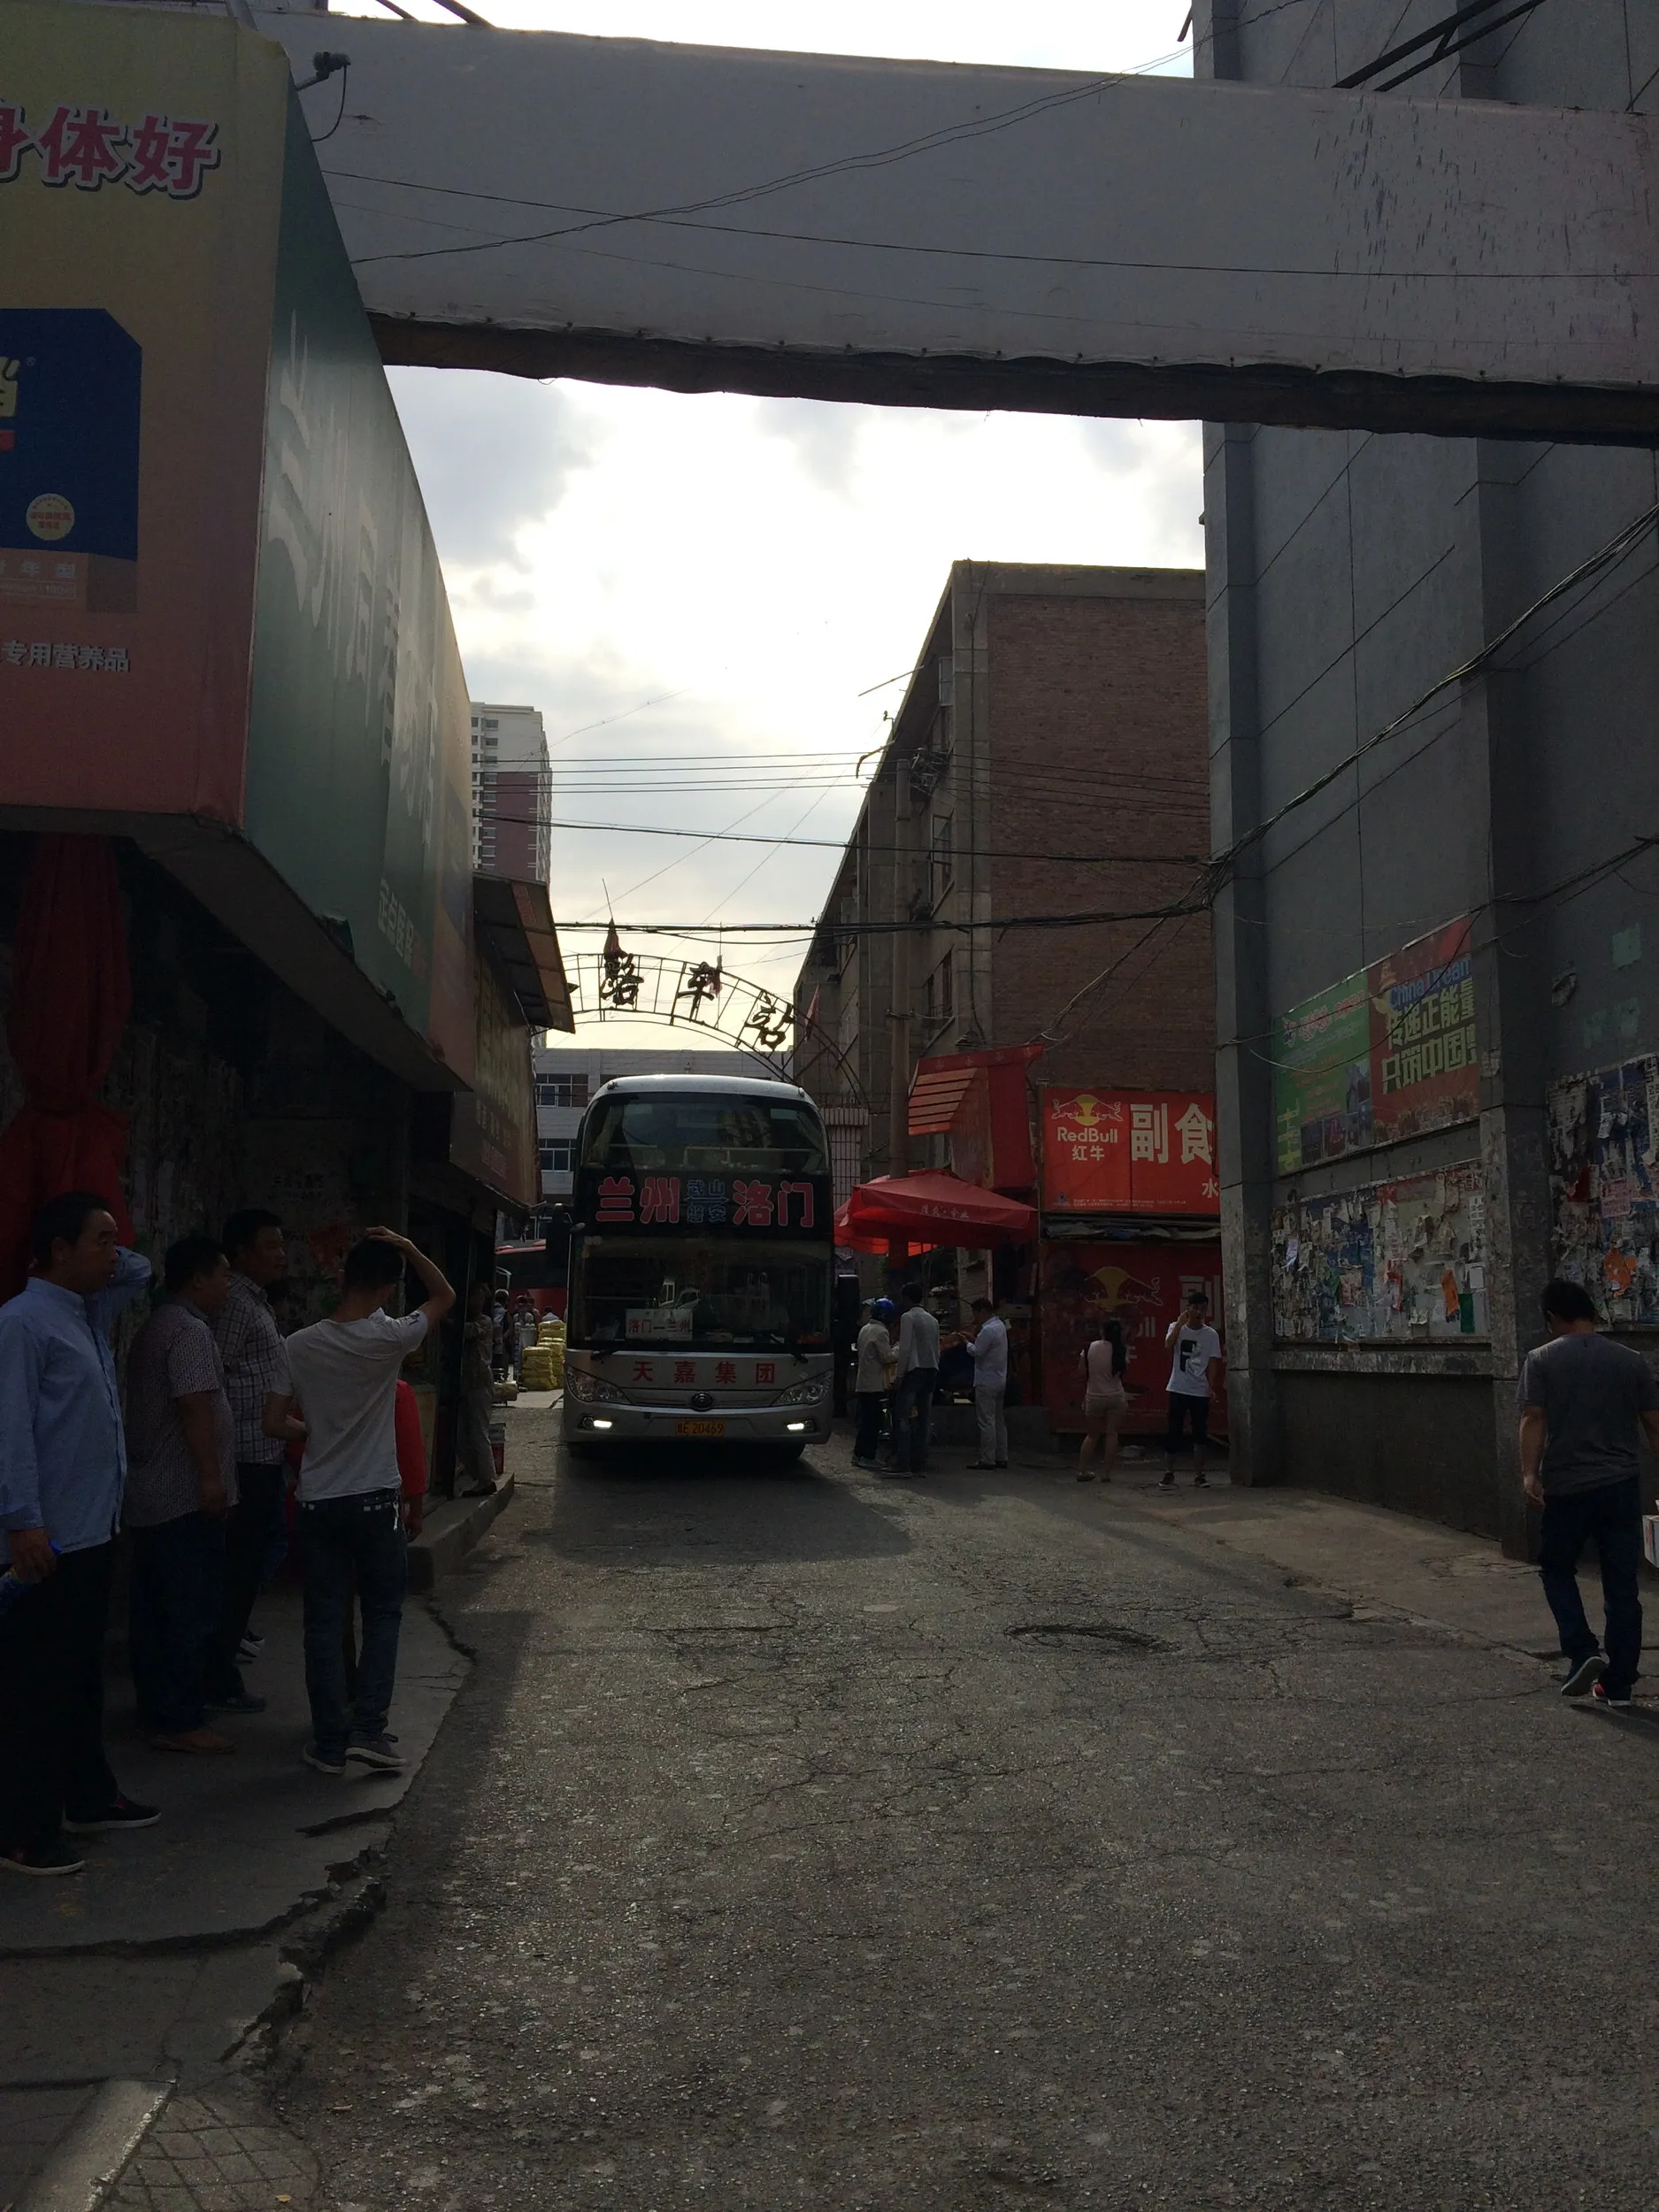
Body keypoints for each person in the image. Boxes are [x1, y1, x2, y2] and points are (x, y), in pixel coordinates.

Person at [0, 1192, 156, 1877]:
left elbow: (141, 1270)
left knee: (79, 1677)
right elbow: (10, 1435)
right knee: (37, 1688)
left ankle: (88, 1796)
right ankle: (24, 1831)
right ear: (58, 1250)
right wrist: (24, 1522)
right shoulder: (24, 1324)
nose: (113, 1253)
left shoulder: (86, 1314)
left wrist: (108, 1248)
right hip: (48, 1537)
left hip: (93, 1529)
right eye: (98, 1240)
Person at [264, 1228, 455, 1776]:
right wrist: (412, 1246)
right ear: (390, 1286)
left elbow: (274, 1423)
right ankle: (369, 1730)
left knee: (323, 1624)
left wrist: (316, 1431)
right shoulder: (390, 1338)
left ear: (342, 1278)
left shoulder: (297, 1344)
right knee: (383, 1616)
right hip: (375, 1502)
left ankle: (328, 1741)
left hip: (319, 1502)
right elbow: (443, 1295)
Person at [1519, 1277, 1659, 1711]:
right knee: (1623, 1585)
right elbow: (1654, 1425)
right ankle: (1619, 1685)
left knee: (1557, 1568)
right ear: (1592, 1314)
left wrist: (1529, 1474)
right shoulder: (1631, 1361)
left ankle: (1582, 1652)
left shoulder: (1541, 1360)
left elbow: (1533, 1418)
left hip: (1568, 1486)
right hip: (1621, 1486)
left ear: (1551, 1319)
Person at [124, 1238, 240, 1755]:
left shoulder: (157, 1325)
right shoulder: (189, 1331)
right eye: (223, 1275)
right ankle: (180, 1718)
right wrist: (211, 1479)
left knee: (156, 1611)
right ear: (198, 1279)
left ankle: (158, 1711)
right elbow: (194, 1406)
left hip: (153, 1496)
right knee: (187, 1610)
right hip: (182, 1497)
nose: (228, 1287)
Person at [205, 1208, 298, 1712]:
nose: (281, 1254)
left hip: (261, 1451)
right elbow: (213, 1375)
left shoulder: (253, 1300)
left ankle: (220, 1666)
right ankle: (216, 1674)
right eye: (270, 1245)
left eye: (281, 1245)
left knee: (246, 1568)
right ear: (241, 1254)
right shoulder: (238, 1304)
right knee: (237, 1571)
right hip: (243, 1455)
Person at [1162, 1289, 1220, 1488]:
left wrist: (1211, 1387)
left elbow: (1213, 1362)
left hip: (1199, 1390)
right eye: (1195, 1308)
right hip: (1178, 1387)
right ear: (1188, 1308)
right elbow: (1168, 1345)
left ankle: (1199, 1474)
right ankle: (1169, 1471)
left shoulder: (1210, 1335)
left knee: (1200, 1433)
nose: (1198, 1312)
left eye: (1202, 1309)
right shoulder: (1176, 1328)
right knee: (1174, 1431)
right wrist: (1179, 1324)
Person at [888, 1283, 941, 1478]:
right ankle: (919, 1461)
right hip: (932, 1370)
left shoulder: (908, 1317)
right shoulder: (932, 1320)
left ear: (907, 1298)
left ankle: (903, 1463)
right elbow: (937, 1348)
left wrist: (899, 1376)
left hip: (915, 1371)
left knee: (902, 1416)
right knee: (924, 1418)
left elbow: (905, 1349)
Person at [458, 1281, 498, 1497]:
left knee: (479, 1433)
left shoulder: (484, 1322)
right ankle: (480, 1476)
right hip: (468, 1385)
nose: (477, 1303)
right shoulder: (474, 1321)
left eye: (480, 1299)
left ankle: (486, 1479)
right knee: (463, 1438)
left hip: (480, 1384)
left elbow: (467, 1332)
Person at [1077, 1317, 1129, 1482]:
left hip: (1094, 1396)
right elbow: (1122, 1373)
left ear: (1102, 1331)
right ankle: (1106, 1474)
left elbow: (1081, 1372)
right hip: (1115, 1396)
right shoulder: (1121, 1350)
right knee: (1112, 1435)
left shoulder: (1089, 1348)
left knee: (1092, 1435)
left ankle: (1082, 1471)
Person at [964, 1297, 1010, 1469]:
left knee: (986, 1421)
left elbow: (977, 1351)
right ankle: (1001, 1456)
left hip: (986, 1380)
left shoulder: (988, 1330)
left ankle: (987, 1458)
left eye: (976, 1313)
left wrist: (966, 1343)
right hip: (1000, 1379)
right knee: (999, 1420)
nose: (975, 1318)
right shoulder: (1000, 1327)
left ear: (983, 1311)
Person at [851, 1297, 897, 1470]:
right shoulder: (881, 1332)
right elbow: (887, 1357)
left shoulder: (865, 1329)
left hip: (863, 1383)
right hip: (874, 1385)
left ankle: (858, 1454)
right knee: (873, 1423)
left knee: (864, 1421)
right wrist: (899, 1348)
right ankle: (868, 1456)